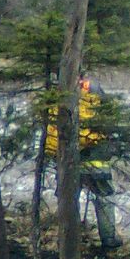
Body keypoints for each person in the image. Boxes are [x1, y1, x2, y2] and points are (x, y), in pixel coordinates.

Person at [44, 74, 121, 249]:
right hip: (94, 155)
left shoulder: (57, 90)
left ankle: (69, 239)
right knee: (104, 197)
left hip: (65, 156)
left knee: (68, 199)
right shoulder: (92, 87)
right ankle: (108, 239)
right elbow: (109, 115)